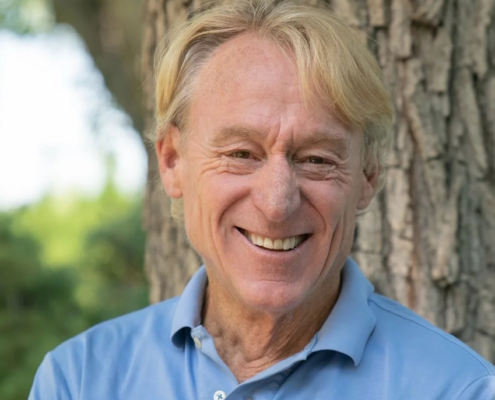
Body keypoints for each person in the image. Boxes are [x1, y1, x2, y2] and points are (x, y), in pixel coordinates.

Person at [29, 1, 495, 399]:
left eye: (316, 159)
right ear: (172, 162)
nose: (276, 204)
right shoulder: (80, 380)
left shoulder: (459, 389)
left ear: (368, 176)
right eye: (240, 154)